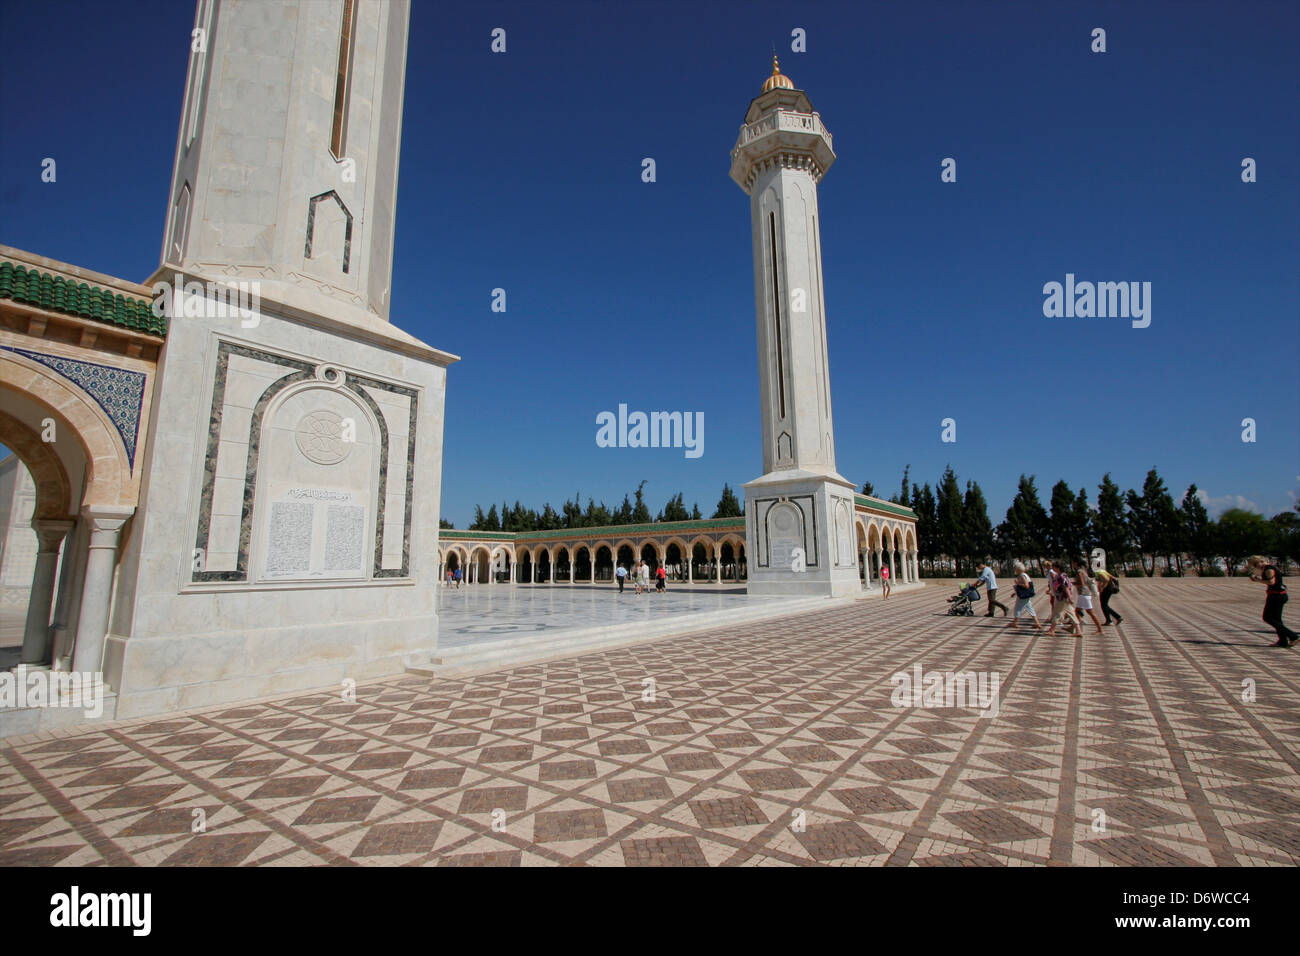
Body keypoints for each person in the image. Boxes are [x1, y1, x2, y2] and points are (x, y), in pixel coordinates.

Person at [1246, 555, 1298, 648]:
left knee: (1267, 617)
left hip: (1277, 596)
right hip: (1275, 595)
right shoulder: (1267, 568)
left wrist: (1257, 580)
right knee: (1277, 619)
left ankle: (1292, 636)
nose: (1255, 567)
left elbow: (1271, 582)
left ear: (1259, 562)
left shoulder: (1269, 569)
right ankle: (1282, 641)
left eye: (1254, 564)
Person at [1071, 557, 1104, 635]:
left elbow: (1082, 583)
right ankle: (1075, 628)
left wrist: (1072, 583)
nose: (1072, 565)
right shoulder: (1083, 570)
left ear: (1076, 563)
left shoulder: (1079, 571)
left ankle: (1100, 629)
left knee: (1090, 612)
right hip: (1084, 594)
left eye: (1073, 563)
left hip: (1084, 594)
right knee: (1077, 611)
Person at [1045, 561, 1078, 636]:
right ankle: (1078, 630)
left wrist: (1069, 597)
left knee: (1057, 612)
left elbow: (1065, 587)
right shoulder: (1062, 575)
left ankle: (1052, 630)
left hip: (1062, 597)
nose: (1052, 568)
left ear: (1058, 568)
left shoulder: (1061, 576)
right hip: (1063, 596)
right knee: (1071, 613)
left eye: (1054, 567)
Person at [1006, 561, 1041, 630]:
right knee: (1029, 608)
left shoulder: (1022, 576)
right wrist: (1015, 593)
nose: (1014, 569)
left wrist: (1017, 583)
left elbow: (1026, 586)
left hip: (1023, 596)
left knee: (1018, 608)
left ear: (1018, 569)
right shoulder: (1024, 575)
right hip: (1025, 595)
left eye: (1015, 568)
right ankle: (1037, 623)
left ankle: (1015, 623)